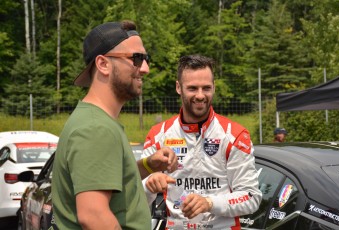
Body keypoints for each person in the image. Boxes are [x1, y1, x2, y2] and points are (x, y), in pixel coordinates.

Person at [51, 21, 178, 230]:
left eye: (146, 59)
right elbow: (94, 215)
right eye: (136, 59)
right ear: (103, 64)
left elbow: (106, 183)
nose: (145, 68)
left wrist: (148, 165)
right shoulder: (95, 129)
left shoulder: (96, 121)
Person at [141, 54, 262, 229]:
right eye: (192, 88)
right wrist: (148, 187)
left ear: (214, 87)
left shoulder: (234, 135)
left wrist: (209, 203)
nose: (200, 95)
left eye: (206, 88)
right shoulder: (158, 135)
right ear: (178, 87)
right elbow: (135, 200)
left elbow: (251, 197)